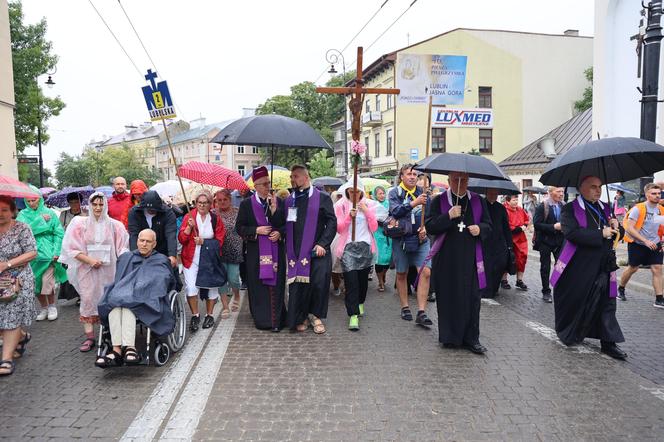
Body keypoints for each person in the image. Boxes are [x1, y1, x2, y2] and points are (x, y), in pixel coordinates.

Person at [550, 175, 626, 359]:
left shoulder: (606, 208)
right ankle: (570, 331)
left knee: (607, 302)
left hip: (604, 264)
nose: (598, 190)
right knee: (577, 300)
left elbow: (617, 234)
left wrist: (618, 227)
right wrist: (601, 233)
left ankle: (609, 342)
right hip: (579, 266)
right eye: (593, 187)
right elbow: (572, 233)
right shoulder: (570, 209)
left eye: (599, 187)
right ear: (581, 188)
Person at [425, 171, 492, 354]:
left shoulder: (478, 200)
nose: (460, 183)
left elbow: (489, 225)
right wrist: (448, 216)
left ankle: (472, 339)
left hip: (471, 258)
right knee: (448, 297)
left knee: (472, 299)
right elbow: (430, 226)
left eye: (464, 180)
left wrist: (481, 229)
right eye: (456, 179)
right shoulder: (439, 201)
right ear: (449, 181)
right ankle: (450, 337)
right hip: (447, 259)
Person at [95, 229, 177, 367]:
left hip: (146, 299)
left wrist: (140, 289)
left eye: (148, 241)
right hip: (124, 296)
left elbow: (162, 282)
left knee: (128, 307)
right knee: (115, 306)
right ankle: (116, 349)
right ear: (137, 241)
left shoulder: (161, 260)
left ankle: (130, 348)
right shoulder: (127, 258)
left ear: (154, 244)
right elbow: (120, 280)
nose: (144, 244)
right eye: (141, 240)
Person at [59, 192, 129, 352]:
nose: (98, 207)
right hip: (86, 270)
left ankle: (110, 333)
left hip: (109, 270)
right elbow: (70, 247)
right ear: (90, 206)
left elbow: (123, 247)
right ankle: (90, 337)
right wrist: (89, 260)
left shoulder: (115, 225)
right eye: (95, 204)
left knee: (109, 299)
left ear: (105, 205)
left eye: (101, 204)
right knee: (88, 299)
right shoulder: (79, 224)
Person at [285, 165, 336, 334]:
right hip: (297, 251)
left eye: (296, 176)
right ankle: (301, 317)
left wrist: (323, 243)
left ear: (306, 177)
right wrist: (273, 209)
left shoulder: (322, 198)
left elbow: (331, 222)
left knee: (318, 283)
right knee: (299, 285)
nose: (293, 179)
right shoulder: (290, 200)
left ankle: (316, 316)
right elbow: (284, 224)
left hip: (317, 249)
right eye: (292, 176)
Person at [235, 168, 287, 331]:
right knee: (258, 286)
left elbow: (287, 225)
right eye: (264, 184)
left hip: (276, 250)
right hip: (256, 252)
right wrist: (256, 231)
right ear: (255, 186)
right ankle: (262, 319)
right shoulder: (246, 204)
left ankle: (277, 320)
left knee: (276, 285)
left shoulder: (278, 202)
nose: (267, 187)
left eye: (268, 183)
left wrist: (279, 231)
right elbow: (240, 228)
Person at [388, 164, 432, 327]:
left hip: (421, 240)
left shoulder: (424, 193)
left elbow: (429, 216)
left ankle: (421, 311)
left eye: (415, 174)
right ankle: (405, 307)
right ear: (402, 176)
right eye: (409, 174)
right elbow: (395, 212)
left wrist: (426, 227)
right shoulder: (394, 193)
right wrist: (414, 203)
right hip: (401, 239)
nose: (412, 177)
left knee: (426, 272)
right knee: (401, 273)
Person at [0, 196, 38, 376]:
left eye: (4, 210)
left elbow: (32, 252)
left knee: (11, 316)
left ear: (13, 211)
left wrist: (7, 264)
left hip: (18, 279)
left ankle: (6, 359)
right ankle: (22, 337)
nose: (0, 214)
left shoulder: (22, 228)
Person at [178, 190, 226, 331]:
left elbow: (220, 241)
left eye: (205, 203)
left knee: (211, 287)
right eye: (200, 203)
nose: (202, 205)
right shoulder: (189, 216)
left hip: (210, 259)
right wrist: (188, 228)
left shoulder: (215, 219)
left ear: (210, 204)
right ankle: (195, 314)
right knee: (192, 287)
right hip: (191, 258)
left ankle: (209, 315)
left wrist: (204, 241)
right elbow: (181, 239)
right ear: (196, 203)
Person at [17, 190, 67, 321]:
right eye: (28, 201)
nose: (31, 203)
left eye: (33, 200)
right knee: (36, 283)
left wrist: (57, 251)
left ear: (39, 199)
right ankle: (44, 307)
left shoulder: (50, 213)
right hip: (30, 253)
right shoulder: (22, 214)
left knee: (47, 281)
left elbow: (58, 232)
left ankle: (52, 306)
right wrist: (40, 221)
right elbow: (21, 231)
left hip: (48, 252)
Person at [334, 178, 378, 331]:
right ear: (347, 191)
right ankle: (352, 315)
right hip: (348, 248)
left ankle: (360, 302)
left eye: (356, 192)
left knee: (362, 281)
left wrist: (366, 212)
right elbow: (339, 228)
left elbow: (374, 227)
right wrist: (348, 218)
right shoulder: (341, 206)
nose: (353, 194)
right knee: (351, 281)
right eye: (350, 192)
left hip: (364, 246)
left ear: (361, 192)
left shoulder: (369, 204)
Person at [618, 183, 664, 307]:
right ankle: (621, 288)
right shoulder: (638, 209)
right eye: (653, 193)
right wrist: (645, 241)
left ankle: (659, 298)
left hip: (655, 244)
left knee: (657, 269)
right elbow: (630, 228)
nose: (657, 196)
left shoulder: (661, 209)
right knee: (633, 268)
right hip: (638, 243)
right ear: (647, 194)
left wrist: (662, 242)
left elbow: (662, 227)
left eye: (659, 193)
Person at [128, 190, 178, 268]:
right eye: (148, 209)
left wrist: (172, 255)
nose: (151, 211)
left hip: (162, 250)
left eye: (155, 209)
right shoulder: (134, 212)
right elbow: (133, 234)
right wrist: (135, 254)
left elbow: (171, 234)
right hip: (142, 251)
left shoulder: (168, 213)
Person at [214, 189, 243, 319]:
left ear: (230, 200)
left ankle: (236, 295)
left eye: (225, 199)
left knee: (233, 278)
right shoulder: (213, 214)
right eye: (219, 200)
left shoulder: (238, 212)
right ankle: (225, 306)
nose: (222, 202)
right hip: (219, 251)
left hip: (235, 249)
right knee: (221, 280)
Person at [533, 187, 565, 303]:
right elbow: (536, 224)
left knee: (561, 267)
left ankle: (559, 289)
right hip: (545, 242)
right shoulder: (543, 206)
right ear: (550, 193)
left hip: (560, 242)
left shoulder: (563, 206)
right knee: (545, 267)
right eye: (558, 192)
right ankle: (546, 291)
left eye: (562, 192)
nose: (561, 194)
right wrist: (553, 227)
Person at [483, 188, 512, 298]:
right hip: (485, 242)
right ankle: (486, 290)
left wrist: (509, 245)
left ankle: (494, 287)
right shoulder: (481, 205)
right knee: (486, 267)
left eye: (495, 194)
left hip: (499, 242)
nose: (493, 195)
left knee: (499, 265)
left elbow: (506, 227)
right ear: (486, 193)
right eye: (491, 193)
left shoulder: (501, 208)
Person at [502, 194, 529, 291]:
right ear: (508, 201)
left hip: (521, 238)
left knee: (522, 257)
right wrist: (516, 229)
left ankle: (519, 280)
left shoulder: (520, 209)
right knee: (506, 258)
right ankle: (504, 280)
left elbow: (526, 219)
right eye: (514, 200)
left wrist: (525, 225)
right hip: (509, 237)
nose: (516, 202)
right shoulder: (504, 210)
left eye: (517, 200)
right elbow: (505, 225)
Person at [372, 186, 392, 292]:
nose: (382, 195)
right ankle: (380, 281)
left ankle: (384, 274)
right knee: (379, 259)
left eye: (383, 193)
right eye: (379, 193)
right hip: (377, 234)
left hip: (388, 234)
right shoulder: (372, 205)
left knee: (387, 259)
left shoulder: (389, 204)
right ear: (375, 195)